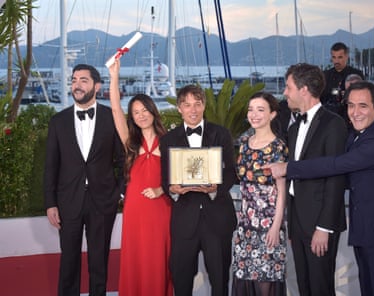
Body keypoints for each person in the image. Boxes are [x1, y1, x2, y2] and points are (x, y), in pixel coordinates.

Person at [264, 81, 374, 296]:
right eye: (351, 105)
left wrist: (288, 168)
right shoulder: (358, 134)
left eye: (362, 106)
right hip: (368, 230)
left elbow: (335, 164)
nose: (355, 112)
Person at [44, 64, 125, 296]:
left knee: (99, 261)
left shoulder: (113, 118)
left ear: (97, 86)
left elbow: (123, 160)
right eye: (74, 80)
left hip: (103, 201)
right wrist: (50, 203)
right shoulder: (58, 122)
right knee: (68, 260)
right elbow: (51, 166)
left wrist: (119, 193)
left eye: (83, 80)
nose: (77, 85)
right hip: (68, 201)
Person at [159, 84, 237, 296]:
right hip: (184, 220)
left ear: (204, 106)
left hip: (217, 218)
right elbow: (165, 179)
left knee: (220, 280)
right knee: (181, 279)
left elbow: (231, 172)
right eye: (187, 105)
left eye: (197, 104)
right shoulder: (168, 140)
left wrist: (215, 188)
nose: (192, 110)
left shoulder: (221, 134)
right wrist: (173, 189)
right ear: (179, 108)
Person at [108, 59, 173, 295]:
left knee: (158, 257)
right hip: (135, 209)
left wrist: (161, 190)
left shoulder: (169, 141)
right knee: (135, 257)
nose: (141, 115)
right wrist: (114, 75)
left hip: (160, 209)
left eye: (144, 110)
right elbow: (115, 109)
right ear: (132, 117)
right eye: (136, 112)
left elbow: (180, 177)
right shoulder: (130, 143)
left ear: (152, 111)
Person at [283, 63, 349, 296]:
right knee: (304, 285)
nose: (284, 93)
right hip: (298, 220)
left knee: (321, 287)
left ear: (303, 89)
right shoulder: (292, 129)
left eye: (288, 87)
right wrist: (292, 226)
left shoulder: (333, 124)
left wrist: (324, 227)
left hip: (320, 222)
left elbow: (336, 178)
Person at [232, 92, 288, 295]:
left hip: (269, 225)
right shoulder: (244, 144)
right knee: (245, 279)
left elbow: (282, 192)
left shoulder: (278, 147)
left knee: (266, 281)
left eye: (260, 109)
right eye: (251, 109)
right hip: (246, 225)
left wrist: (276, 227)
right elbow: (244, 186)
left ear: (272, 114)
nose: (254, 114)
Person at [321, 42, 364, 116]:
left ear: (346, 57)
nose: (336, 61)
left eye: (340, 57)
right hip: (329, 115)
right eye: (334, 57)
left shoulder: (356, 75)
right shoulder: (325, 75)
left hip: (350, 115)